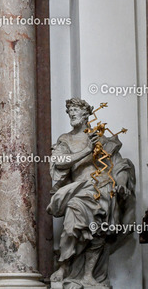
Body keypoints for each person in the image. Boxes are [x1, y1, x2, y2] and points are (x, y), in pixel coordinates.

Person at [47, 98, 136, 287]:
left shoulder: (101, 139)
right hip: (79, 190)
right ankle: (64, 266)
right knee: (72, 225)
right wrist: (87, 150)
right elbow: (59, 161)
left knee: (99, 231)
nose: (71, 113)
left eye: (75, 110)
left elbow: (120, 165)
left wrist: (121, 183)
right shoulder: (66, 139)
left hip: (103, 188)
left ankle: (88, 275)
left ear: (86, 114)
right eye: (69, 110)